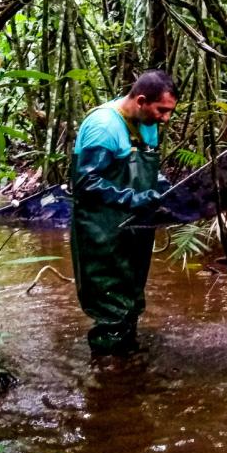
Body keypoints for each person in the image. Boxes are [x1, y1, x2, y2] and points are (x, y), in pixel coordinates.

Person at [71, 70, 178, 355]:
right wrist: (134, 198)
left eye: (170, 112)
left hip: (135, 228)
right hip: (101, 229)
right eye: (162, 110)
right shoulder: (103, 126)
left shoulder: (148, 124)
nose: (165, 119)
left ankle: (128, 363)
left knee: (130, 298)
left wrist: (164, 190)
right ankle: (108, 377)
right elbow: (86, 183)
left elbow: (147, 172)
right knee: (109, 304)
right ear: (141, 100)